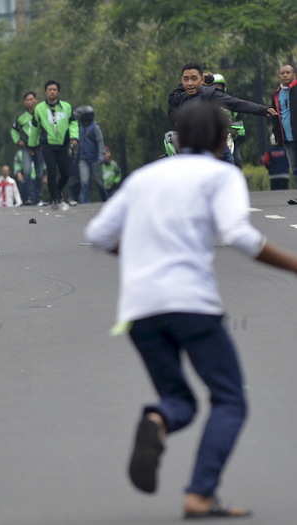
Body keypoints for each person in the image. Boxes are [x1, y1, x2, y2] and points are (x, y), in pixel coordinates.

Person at [86, 101, 297, 519]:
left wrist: (143, 259)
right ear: (223, 140)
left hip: (140, 309)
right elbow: (239, 235)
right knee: (230, 398)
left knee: (178, 400)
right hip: (192, 305)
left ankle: (158, 419)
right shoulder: (221, 175)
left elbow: (97, 233)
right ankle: (200, 493)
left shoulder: (145, 177)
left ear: (177, 138)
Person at [168, 63, 276, 164]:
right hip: (190, 149)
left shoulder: (210, 94)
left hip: (215, 147)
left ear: (201, 80)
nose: (190, 83)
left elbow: (236, 103)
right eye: (186, 79)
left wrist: (263, 109)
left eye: (194, 79)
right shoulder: (178, 97)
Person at [32, 80, 79, 210]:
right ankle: (55, 199)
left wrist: (74, 137)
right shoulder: (39, 108)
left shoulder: (67, 107)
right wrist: (32, 145)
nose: (52, 92)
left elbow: (73, 123)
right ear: (46, 92)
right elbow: (35, 128)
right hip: (47, 144)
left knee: (65, 172)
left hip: (63, 143)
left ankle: (57, 192)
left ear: (58, 92)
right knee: (51, 172)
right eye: (49, 89)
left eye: (54, 89)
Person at [11, 91, 42, 204]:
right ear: (24, 102)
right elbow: (14, 130)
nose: (30, 101)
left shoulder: (41, 114)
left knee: (39, 173)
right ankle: (29, 197)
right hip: (26, 148)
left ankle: (38, 197)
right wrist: (17, 140)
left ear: (36, 100)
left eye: (32, 99)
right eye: (27, 100)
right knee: (27, 172)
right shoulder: (20, 117)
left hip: (39, 147)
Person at [272, 64, 297, 202]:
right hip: (287, 137)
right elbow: (275, 116)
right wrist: (276, 135)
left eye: (288, 72)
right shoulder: (276, 94)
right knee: (294, 168)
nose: (285, 75)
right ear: (279, 76)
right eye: (282, 73)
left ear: (293, 74)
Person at [211, 74, 247, 168]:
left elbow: (239, 121)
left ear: (224, 87)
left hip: (229, 138)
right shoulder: (205, 102)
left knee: (237, 160)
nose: (217, 89)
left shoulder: (230, 102)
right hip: (210, 140)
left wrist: (239, 129)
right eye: (214, 86)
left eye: (219, 86)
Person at [76, 105, 106, 203]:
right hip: (83, 159)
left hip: (95, 159)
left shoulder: (95, 127)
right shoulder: (79, 127)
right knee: (84, 182)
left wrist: (101, 155)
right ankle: (85, 203)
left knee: (99, 182)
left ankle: (105, 200)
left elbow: (100, 141)